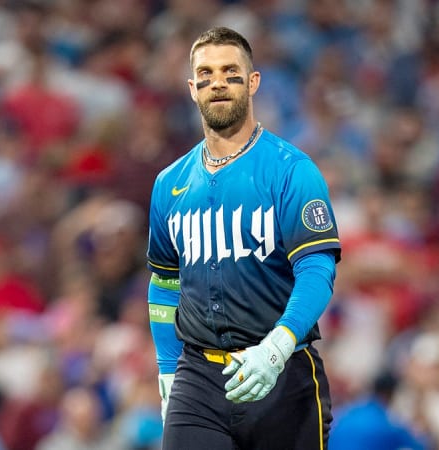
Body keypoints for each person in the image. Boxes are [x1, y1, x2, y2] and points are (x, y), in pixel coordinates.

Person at [146, 27, 341, 449]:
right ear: (192, 88)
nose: (217, 82)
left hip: (284, 373)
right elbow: (164, 285)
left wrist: (277, 346)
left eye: (230, 72)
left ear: (252, 82)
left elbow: (318, 268)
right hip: (198, 379)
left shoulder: (292, 170)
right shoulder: (168, 184)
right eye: (206, 73)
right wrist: (166, 369)